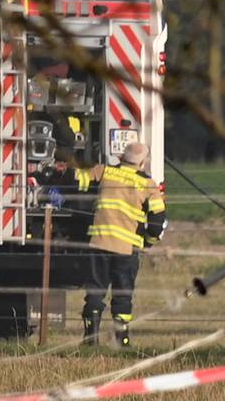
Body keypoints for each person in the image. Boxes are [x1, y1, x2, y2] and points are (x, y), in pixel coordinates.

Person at [76, 138, 166, 347]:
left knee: (95, 292)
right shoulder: (148, 185)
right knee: (123, 295)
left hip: (99, 243)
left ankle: (90, 339)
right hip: (127, 249)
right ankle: (122, 341)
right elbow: (157, 223)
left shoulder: (104, 171)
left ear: (122, 157)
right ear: (143, 162)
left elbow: (78, 180)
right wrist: (148, 241)